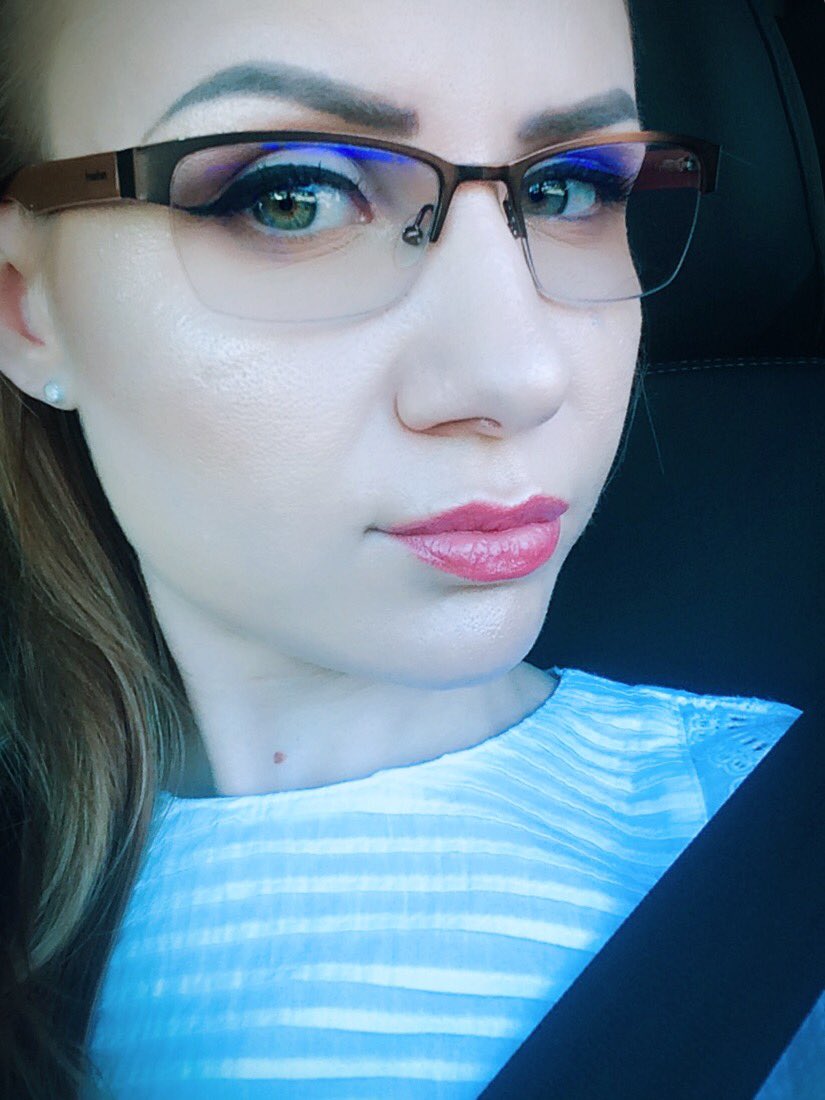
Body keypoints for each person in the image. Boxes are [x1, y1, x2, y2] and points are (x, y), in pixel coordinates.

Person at [0, 0, 821, 1096]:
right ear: (26, 305)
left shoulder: (784, 839)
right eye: (294, 196)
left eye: (570, 187)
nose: (517, 376)